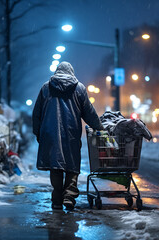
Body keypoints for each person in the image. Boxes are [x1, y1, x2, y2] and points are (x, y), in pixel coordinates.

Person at [32, 61, 103, 210]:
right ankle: (69, 196)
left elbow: (37, 113)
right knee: (72, 165)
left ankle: (57, 198)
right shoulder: (79, 88)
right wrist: (99, 127)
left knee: (55, 165)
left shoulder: (46, 88)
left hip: (50, 133)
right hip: (71, 132)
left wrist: (38, 132)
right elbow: (88, 112)